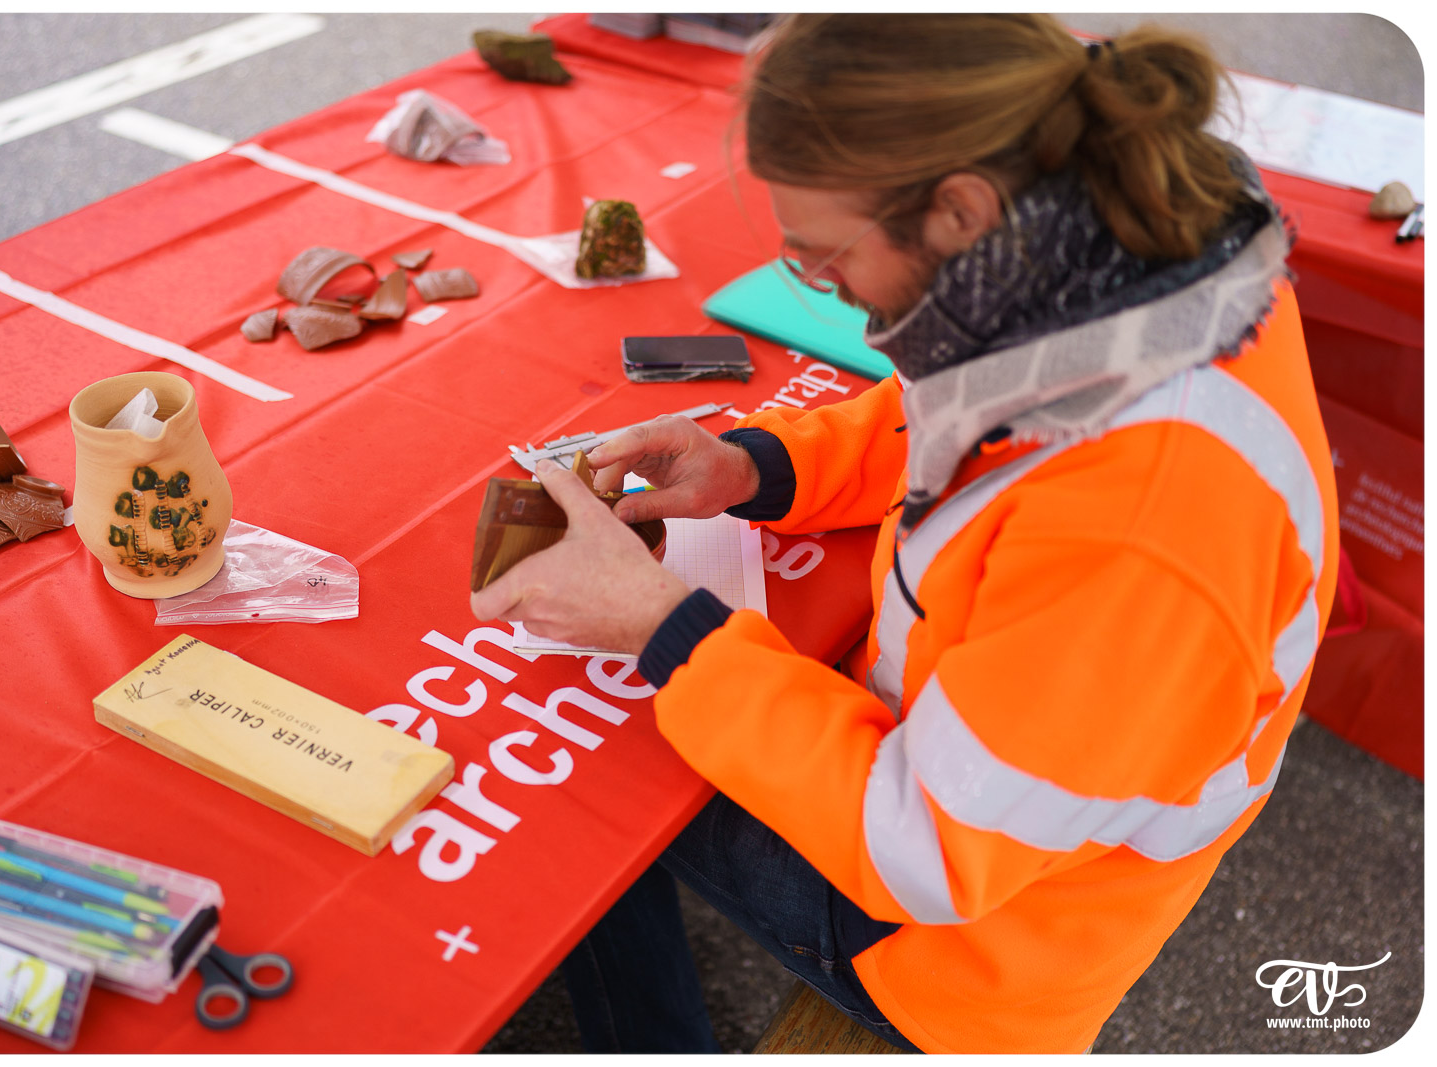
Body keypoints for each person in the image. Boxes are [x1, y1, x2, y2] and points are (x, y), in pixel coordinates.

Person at [470, 13, 1339, 1054]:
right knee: (645, 723)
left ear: (959, 209)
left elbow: (923, 853)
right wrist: (758, 465)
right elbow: (979, 414)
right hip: (994, 785)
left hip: (970, 944)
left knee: (582, 771)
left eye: (819, 255)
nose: (820, 285)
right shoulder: (1132, 261)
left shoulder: (1137, 525)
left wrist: (666, 630)